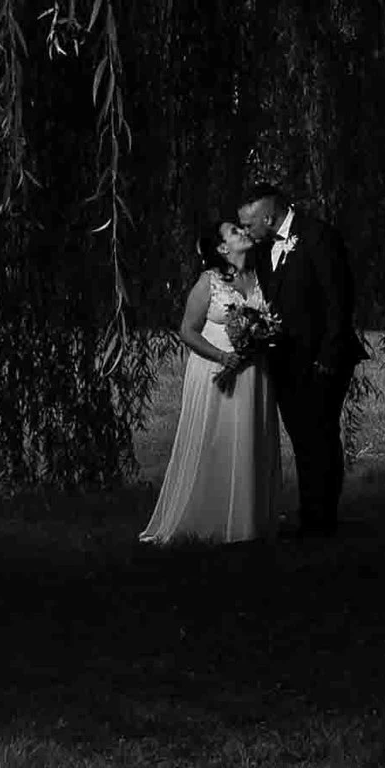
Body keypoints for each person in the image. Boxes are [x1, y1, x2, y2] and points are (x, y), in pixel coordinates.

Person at [139, 218, 281, 545]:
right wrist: (221, 356)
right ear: (221, 247)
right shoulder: (209, 282)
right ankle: (210, 519)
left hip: (255, 374)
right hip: (218, 373)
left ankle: (250, 522)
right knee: (216, 439)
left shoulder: (262, 277)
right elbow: (187, 330)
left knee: (250, 439)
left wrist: (264, 337)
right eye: (234, 232)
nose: (243, 233)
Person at [237, 183, 363, 535]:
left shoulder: (318, 235)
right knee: (302, 439)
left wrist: (329, 356)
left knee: (321, 434)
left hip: (323, 359)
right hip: (285, 362)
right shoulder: (263, 251)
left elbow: (339, 299)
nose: (247, 232)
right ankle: (311, 515)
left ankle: (323, 519)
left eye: (249, 224)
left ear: (268, 215)